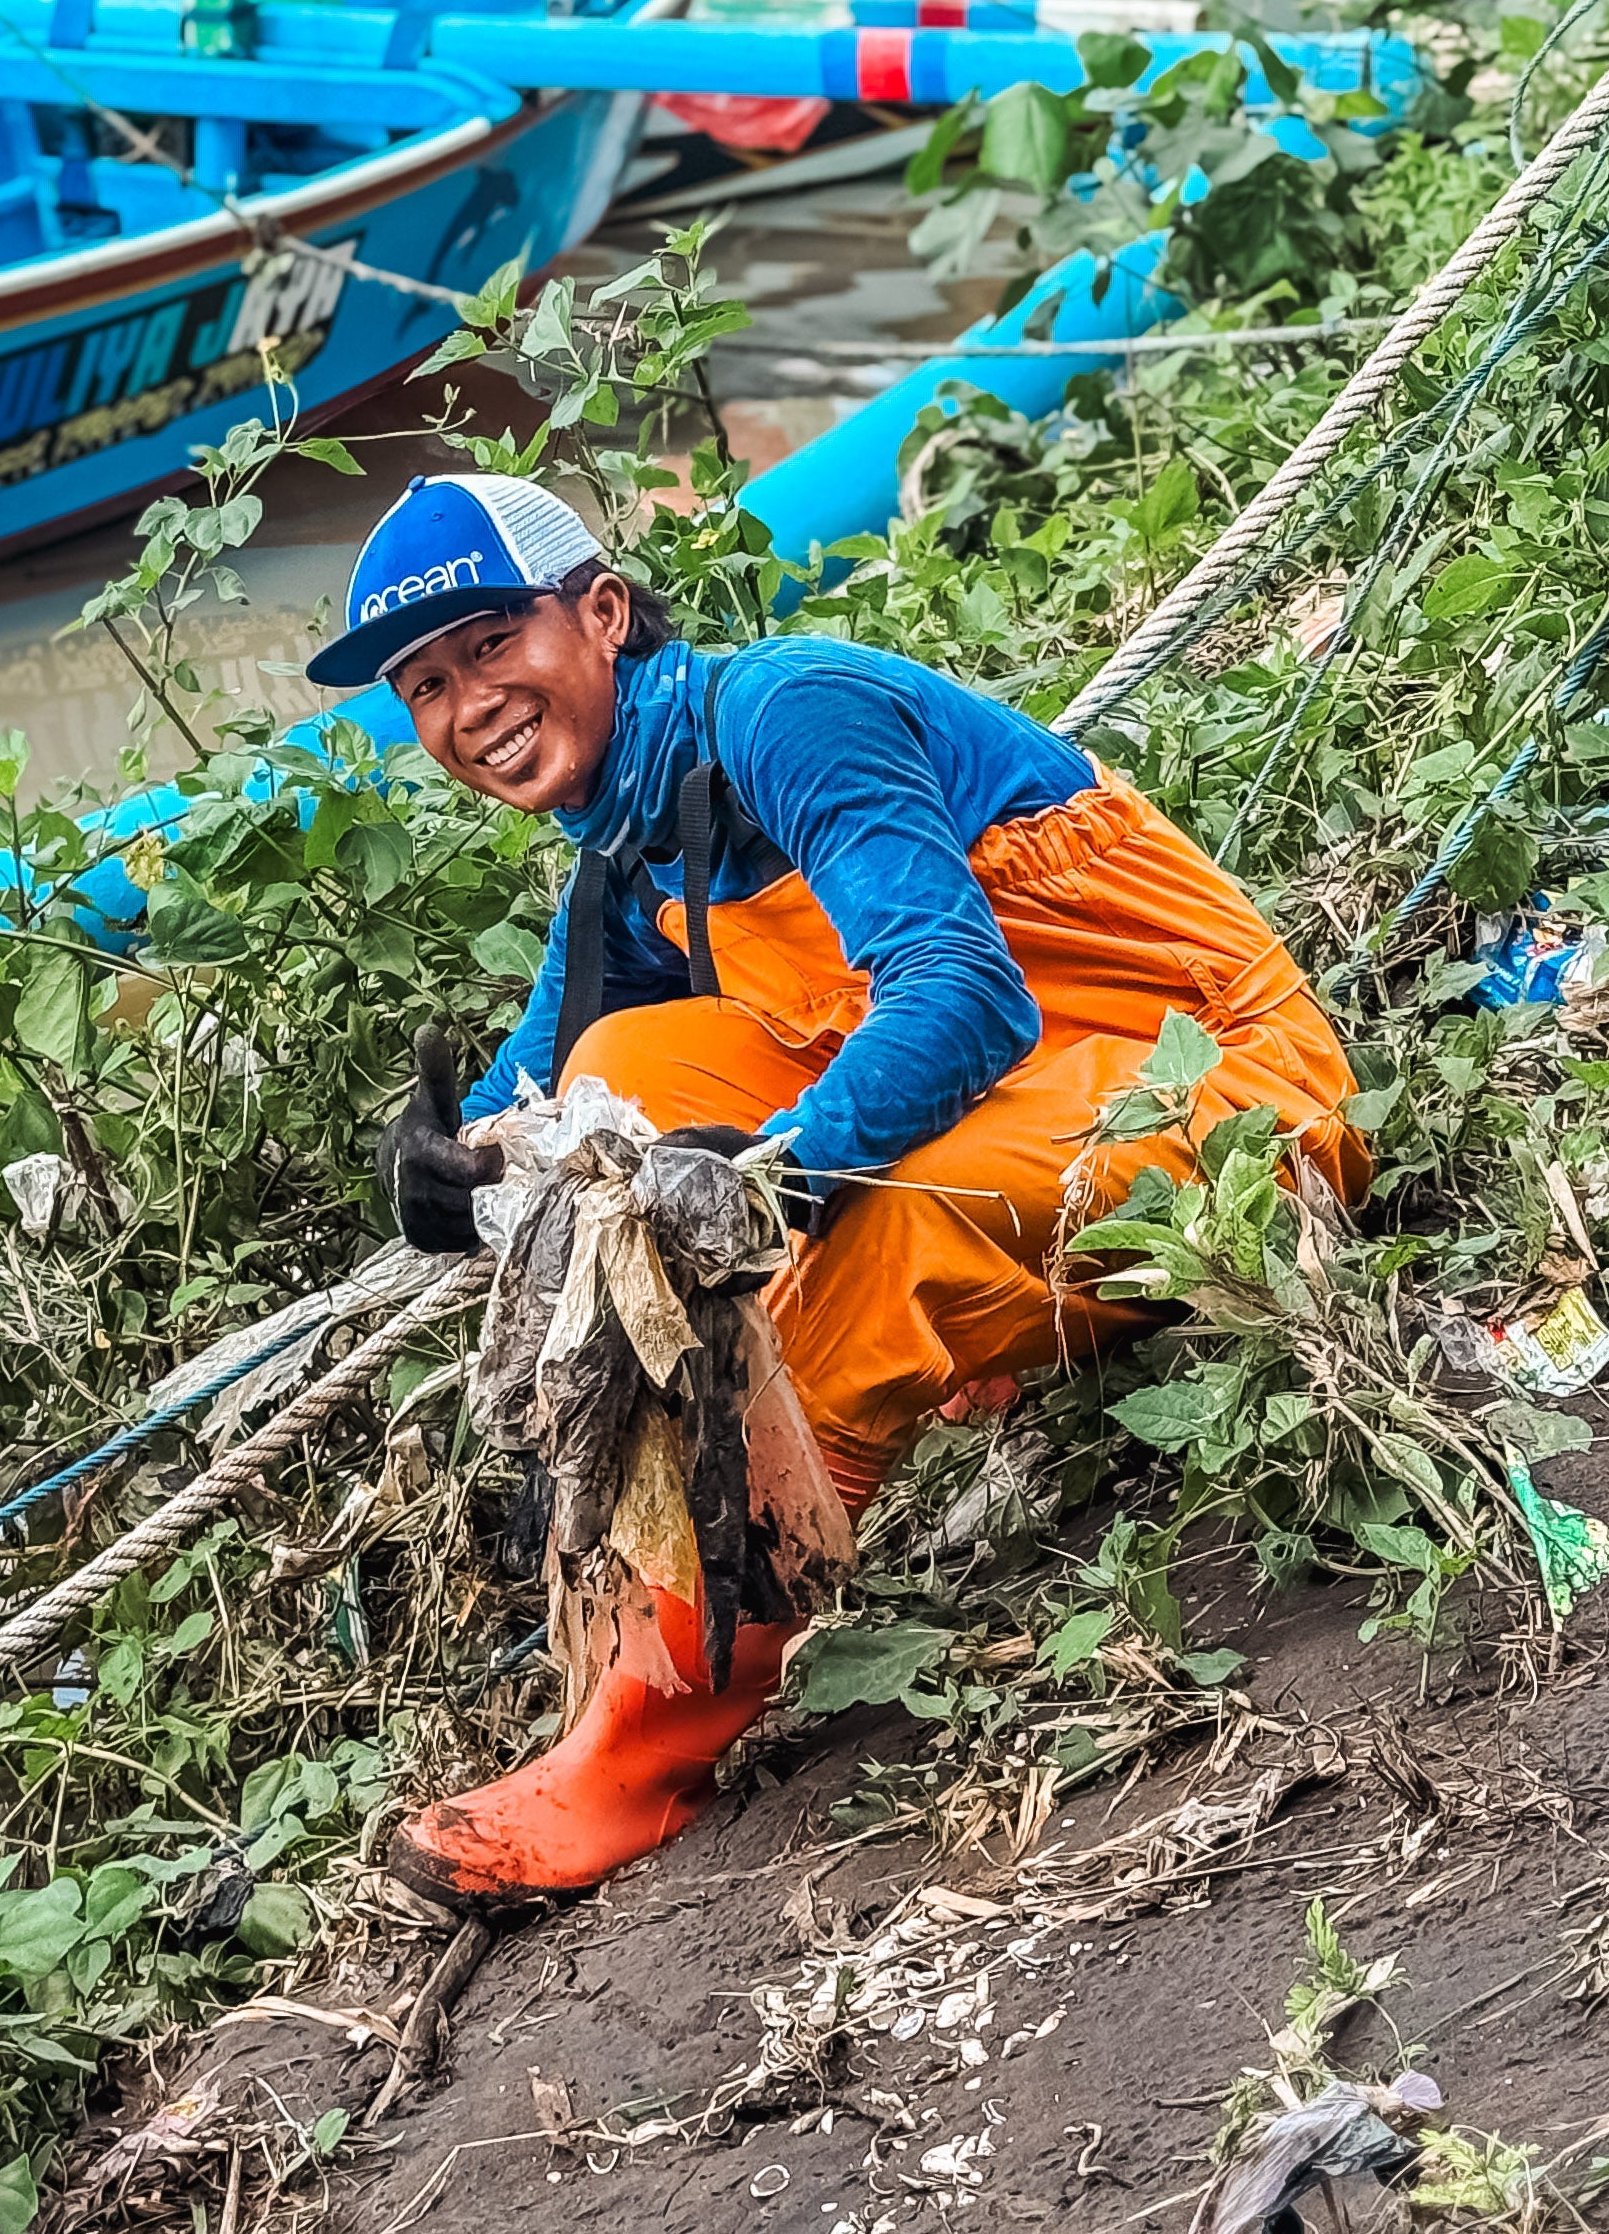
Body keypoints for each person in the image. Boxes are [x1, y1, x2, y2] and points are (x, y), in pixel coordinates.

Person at [306, 473, 1363, 1905]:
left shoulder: (784, 712)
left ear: (602, 614)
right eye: (426, 684)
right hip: (1038, 1106)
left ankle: (641, 1753)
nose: (467, 702)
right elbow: (541, 1103)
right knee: (628, 1066)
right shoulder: (626, 846)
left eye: (493, 644)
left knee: (877, 1231)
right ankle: (647, 1600)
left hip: (1224, 1095)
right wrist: (436, 1166)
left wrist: (781, 1187)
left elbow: (966, 996)